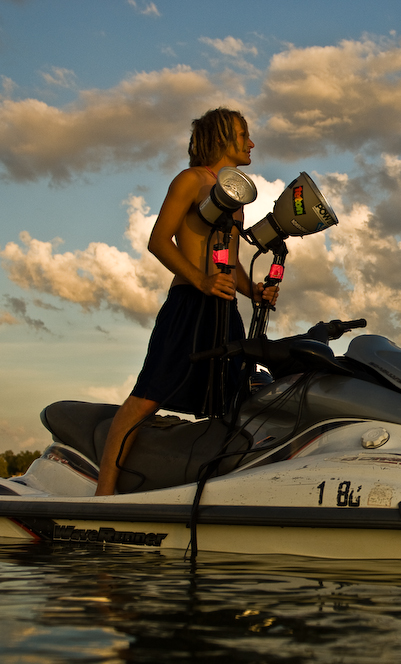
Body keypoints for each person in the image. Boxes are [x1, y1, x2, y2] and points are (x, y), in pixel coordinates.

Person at [95, 108, 278, 496]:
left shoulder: (234, 191)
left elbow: (230, 259)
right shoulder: (190, 180)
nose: (251, 142)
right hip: (189, 306)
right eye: (244, 134)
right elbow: (159, 240)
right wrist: (201, 279)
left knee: (232, 402)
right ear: (223, 136)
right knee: (146, 399)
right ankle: (104, 494)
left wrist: (254, 292)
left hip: (223, 309)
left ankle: (218, 494)